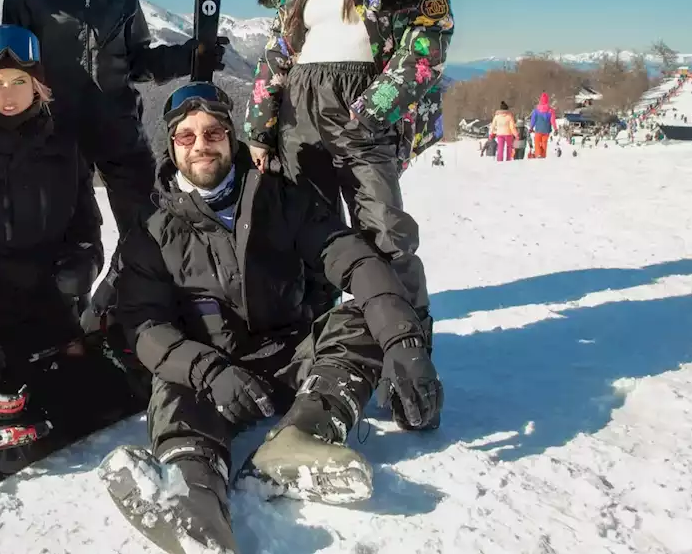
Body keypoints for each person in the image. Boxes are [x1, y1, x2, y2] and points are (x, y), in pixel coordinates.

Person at [104, 83, 441, 553]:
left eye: (213, 132)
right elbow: (146, 323)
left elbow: (353, 258)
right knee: (171, 383)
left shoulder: (280, 198)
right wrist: (207, 369)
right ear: (172, 145)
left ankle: (300, 436)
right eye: (186, 136)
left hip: (291, 353)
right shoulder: (151, 231)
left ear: (232, 137)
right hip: (210, 371)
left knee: (358, 319)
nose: (201, 144)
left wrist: (403, 341)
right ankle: (193, 499)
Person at [242, 0, 451, 359]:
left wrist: (377, 107)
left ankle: (406, 352)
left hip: (365, 94)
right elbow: (278, 47)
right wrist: (259, 124)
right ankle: (318, 353)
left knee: (384, 231)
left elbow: (431, 33)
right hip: (299, 103)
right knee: (308, 232)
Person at [0, 24, 148, 476]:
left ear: (38, 85)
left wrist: (83, 262)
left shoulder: (64, 146)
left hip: (50, 302)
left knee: (87, 393)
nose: (8, 93)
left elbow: (87, 222)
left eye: (19, 81)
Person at [2, 0, 227, 238]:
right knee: (67, 244)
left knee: (149, 234)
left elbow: (137, 60)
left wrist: (188, 57)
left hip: (118, 128)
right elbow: (13, 65)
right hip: (53, 131)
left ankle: (134, 295)